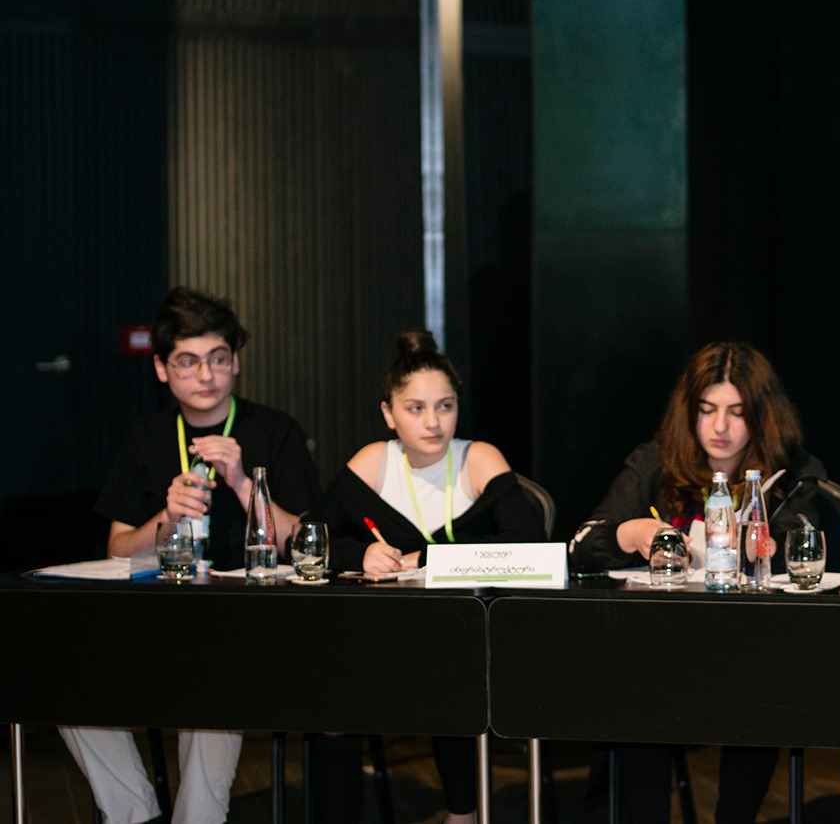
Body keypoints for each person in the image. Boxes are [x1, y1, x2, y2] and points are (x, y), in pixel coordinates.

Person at [61, 286, 322, 824]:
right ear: (161, 369)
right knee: (63, 680)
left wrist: (243, 483)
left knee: (213, 678)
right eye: (188, 361)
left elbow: (306, 545)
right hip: (159, 622)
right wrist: (166, 517)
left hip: (249, 625)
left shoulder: (273, 431)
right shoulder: (147, 437)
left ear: (236, 362)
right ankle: (134, 815)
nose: (206, 375)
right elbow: (117, 550)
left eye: (218, 359)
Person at [569, 340, 827, 824]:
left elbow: (798, 552)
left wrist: (759, 544)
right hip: (658, 651)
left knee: (762, 685)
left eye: (737, 412)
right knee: (634, 683)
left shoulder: (791, 473)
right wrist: (632, 533)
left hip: (749, 655)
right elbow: (581, 546)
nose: (720, 427)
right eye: (707, 410)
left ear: (762, 416)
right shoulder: (655, 462)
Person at [306, 329, 545, 824]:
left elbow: (528, 544)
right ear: (388, 413)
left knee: (451, 671)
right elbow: (309, 540)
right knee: (330, 697)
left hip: (470, 638)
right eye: (415, 409)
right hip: (385, 639)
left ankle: (463, 814)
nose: (433, 422)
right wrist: (360, 554)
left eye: (445, 406)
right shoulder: (373, 462)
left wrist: (430, 560)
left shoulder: (478, 458)